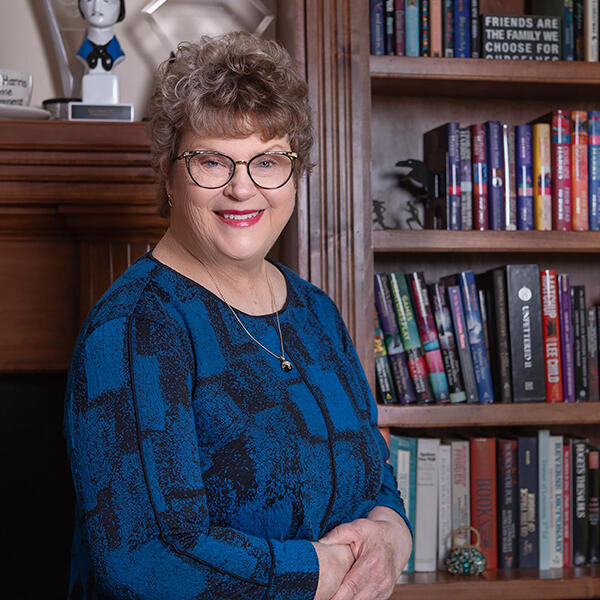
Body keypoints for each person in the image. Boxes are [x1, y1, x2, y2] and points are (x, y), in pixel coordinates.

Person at [64, 31, 412, 600]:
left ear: (294, 173)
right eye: (212, 161)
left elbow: (373, 477)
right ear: (170, 175)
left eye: (268, 161)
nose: (242, 189)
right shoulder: (135, 328)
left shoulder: (315, 312)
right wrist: (320, 573)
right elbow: (141, 558)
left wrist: (394, 538)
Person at [76, 0, 126, 72]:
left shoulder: (117, 51)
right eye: (89, 0)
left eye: (106, 0)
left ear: (120, 6)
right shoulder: (83, 51)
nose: (96, 8)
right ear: (80, 5)